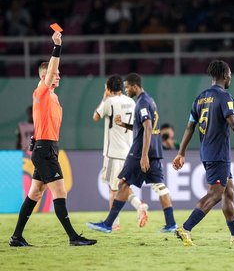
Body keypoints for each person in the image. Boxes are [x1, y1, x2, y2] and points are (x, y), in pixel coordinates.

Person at [9, 31, 97, 247]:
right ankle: (73, 237)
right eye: (54, 73)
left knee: (35, 193)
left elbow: (44, 125)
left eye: (58, 74)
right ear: (44, 76)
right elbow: (52, 70)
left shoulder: (54, 98)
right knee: (60, 191)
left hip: (47, 148)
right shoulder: (41, 91)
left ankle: (16, 237)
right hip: (45, 150)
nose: (58, 75)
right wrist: (57, 46)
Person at [172, 60, 234, 247]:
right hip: (218, 153)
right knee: (215, 194)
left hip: (208, 152)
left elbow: (189, 128)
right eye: (230, 74)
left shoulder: (199, 98)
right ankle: (185, 228)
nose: (231, 78)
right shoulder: (224, 97)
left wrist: (181, 153)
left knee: (228, 192)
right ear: (226, 75)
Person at [87, 73, 177, 233]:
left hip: (140, 151)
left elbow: (148, 127)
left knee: (122, 184)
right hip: (154, 149)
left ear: (135, 86)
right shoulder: (149, 100)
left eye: (128, 86)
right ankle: (171, 224)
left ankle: (108, 224)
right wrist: (124, 124)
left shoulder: (141, 102)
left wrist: (143, 155)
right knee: (160, 187)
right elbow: (142, 126)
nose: (126, 89)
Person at [93, 74, 149, 231]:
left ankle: (114, 224)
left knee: (113, 189)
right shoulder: (131, 101)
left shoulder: (109, 102)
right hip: (128, 151)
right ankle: (139, 206)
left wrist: (104, 98)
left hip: (113, 153)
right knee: (122, 186)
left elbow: (96, 116)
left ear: (109, 89)